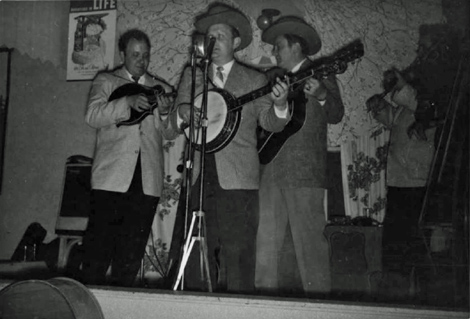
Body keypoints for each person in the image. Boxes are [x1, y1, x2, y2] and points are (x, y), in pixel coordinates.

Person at [167, 3, 290, 294]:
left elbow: (271, 123)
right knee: (196, 254)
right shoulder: (192, 76)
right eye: (209, 37)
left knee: (239, 255)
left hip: (239, 180)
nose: (213, 43)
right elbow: (170, 127)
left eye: (220, 36)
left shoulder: (254, 79)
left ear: (236, 42)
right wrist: (183, 113)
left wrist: (281, 104)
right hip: (200, 176)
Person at [255, 17, 344, 298]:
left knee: (310, 245)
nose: (274, 52)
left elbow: (337, 114)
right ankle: (261, 305)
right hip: (271, 170)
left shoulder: (323, 74)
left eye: (279, 46)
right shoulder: (272, 79)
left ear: (295, 46)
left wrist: (320, 95)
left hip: (305, 172)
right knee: (265, 243)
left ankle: (318, 304)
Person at [81, 29, 177, 287]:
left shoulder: (162, 89)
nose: (141, 60)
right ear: (123, 54)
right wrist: (127, 103)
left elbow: (169, 133)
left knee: (130, 256)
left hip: (146, 181)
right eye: (135, 54)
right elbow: (92, 116)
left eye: (145, 55)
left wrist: (167, 114)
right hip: (111, 179)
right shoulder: (106, 81)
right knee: (97, 252)